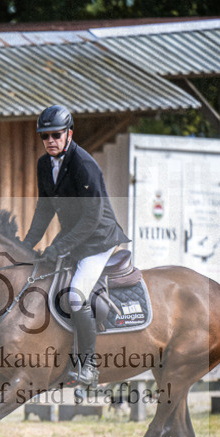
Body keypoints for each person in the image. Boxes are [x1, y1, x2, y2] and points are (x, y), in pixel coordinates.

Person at [22, 104, 130, 387]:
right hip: (74, 237)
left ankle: (89, 366)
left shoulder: (84, 164)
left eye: (56, 135)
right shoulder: (44, 165)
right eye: (44, 136)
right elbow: (44, 210)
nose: (50, 141)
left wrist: (60, 246)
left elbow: (92, 217)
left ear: (69, 133)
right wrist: (24, 245)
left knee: (74, 297)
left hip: (99, 240)